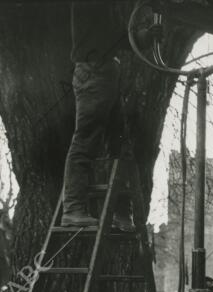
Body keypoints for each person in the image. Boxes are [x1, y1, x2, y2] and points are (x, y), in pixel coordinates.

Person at [62, 2, 153, 229]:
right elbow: (116, 36)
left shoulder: (107, 9)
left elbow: (121, 38)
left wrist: (145, 36)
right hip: (94, 71)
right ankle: (73, 209)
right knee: (86, 139)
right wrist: (140, 35)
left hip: (106, 73)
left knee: (119, 145)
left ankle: (120, 212)